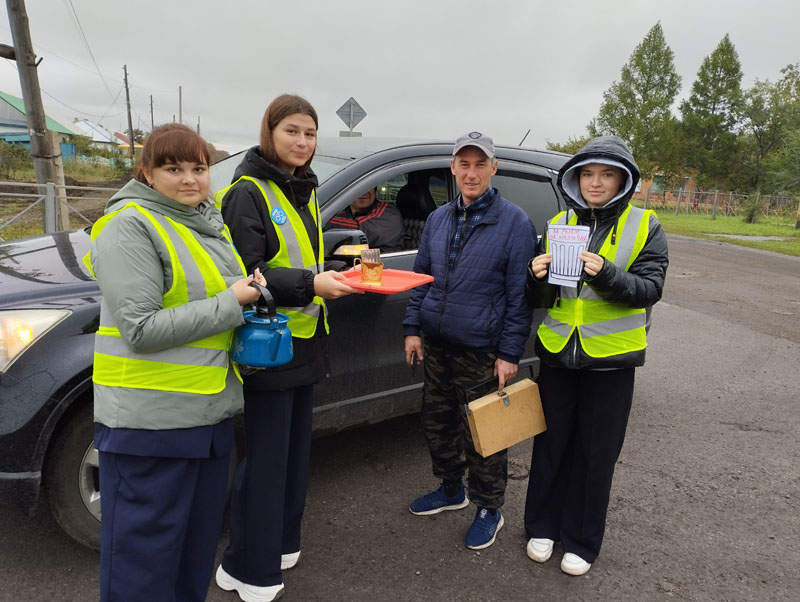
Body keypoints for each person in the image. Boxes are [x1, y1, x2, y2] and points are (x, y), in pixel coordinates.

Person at [87, 123, 265, 602]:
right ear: (147, 172)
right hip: (149, 428)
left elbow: (210, 306)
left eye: (199, 168)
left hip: (207, 419)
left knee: (191, 563)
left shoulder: (203, 223)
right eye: (173, 168)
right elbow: (141, 329)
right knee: (142, 572)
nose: (190, 179)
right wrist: (232, 302)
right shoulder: (130, 225)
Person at [214, 94, 359, 602]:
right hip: (268, 345)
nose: (302, 142)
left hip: (306, 340)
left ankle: (280, 543)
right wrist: (313, 285)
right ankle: (246, 567)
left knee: (296, 456)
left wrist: (334, 272)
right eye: (292, 131)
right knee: (267, 460)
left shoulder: (303, 189)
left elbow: (303, 257)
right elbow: (247, 274)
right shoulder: (247, 192)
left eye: (310, 134)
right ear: (269, 132)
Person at [523, 135, 668, 576]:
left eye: (606, 174)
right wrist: (536, 276)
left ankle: (582, 541)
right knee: (550, 446)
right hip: (557, 356)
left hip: (612, 362)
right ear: (575, 178)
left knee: (595, 453)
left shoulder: (646, 226)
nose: (596, 183)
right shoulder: (558, 221)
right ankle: (542, 527)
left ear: (623, 179)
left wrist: (606, 275)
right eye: (588, 174)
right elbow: (543, 298)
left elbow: (650, 290)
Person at [403, 131, 536, 550]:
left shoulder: (515, 222)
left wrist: (510, 353)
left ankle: (489, 509)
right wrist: (412, 327)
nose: (471, 173)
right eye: (464, 164)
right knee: (437, 423)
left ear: (494, 168)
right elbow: (421, 278)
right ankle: (450, 489)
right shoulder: (439, 219)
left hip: (483, 350)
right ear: (453, 168)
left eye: (481, 164)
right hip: (439, 344)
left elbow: (520, 297)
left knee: (485, 434)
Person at [327, 187, 405, 252]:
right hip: (355, 265)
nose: (363, 191)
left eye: (368, 186)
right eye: (357, 187)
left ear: (375, 189)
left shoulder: (389, 213)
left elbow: (357, 230)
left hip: (384, 266)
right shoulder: (341, 212)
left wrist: (320, 221)